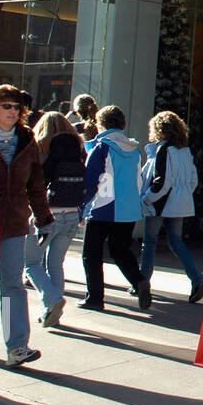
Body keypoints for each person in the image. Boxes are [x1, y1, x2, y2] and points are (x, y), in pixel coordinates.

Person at [0, 85, 55, 367]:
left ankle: (17, 347)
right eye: (7, 106)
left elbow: (36, 183)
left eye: (17, 107)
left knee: (12, 284)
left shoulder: (26, 138)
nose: (13, 111)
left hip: (14, 221)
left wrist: (43, 216)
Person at [80, 105, 149, 311]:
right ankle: (139, 281)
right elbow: (139, 180)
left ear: (100, 125)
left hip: (103, 206)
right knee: (120, 250)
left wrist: (83, 206)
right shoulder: (134, 150)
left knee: (91, 254)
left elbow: (92, 180)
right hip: (128, 209)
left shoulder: (102, 147)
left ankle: (95, 298)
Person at [24, 113, 85, 329]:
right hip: (71, 213)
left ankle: (51, 300)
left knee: (31, 263)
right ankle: (53, 312)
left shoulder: (40, 148)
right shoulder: (77, 148)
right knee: (55, 264)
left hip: (46, 214)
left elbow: (32, 182)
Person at [139, 111, 203, 303]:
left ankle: (142, 283)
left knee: (149, 243)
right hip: (180, 202)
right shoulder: (184, 151)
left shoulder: (163, 151)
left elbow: (162, 182)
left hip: (161, 203)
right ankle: (197, 278)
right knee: (176, 241)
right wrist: (183, 195)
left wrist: (148, 198)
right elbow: (193, 179)